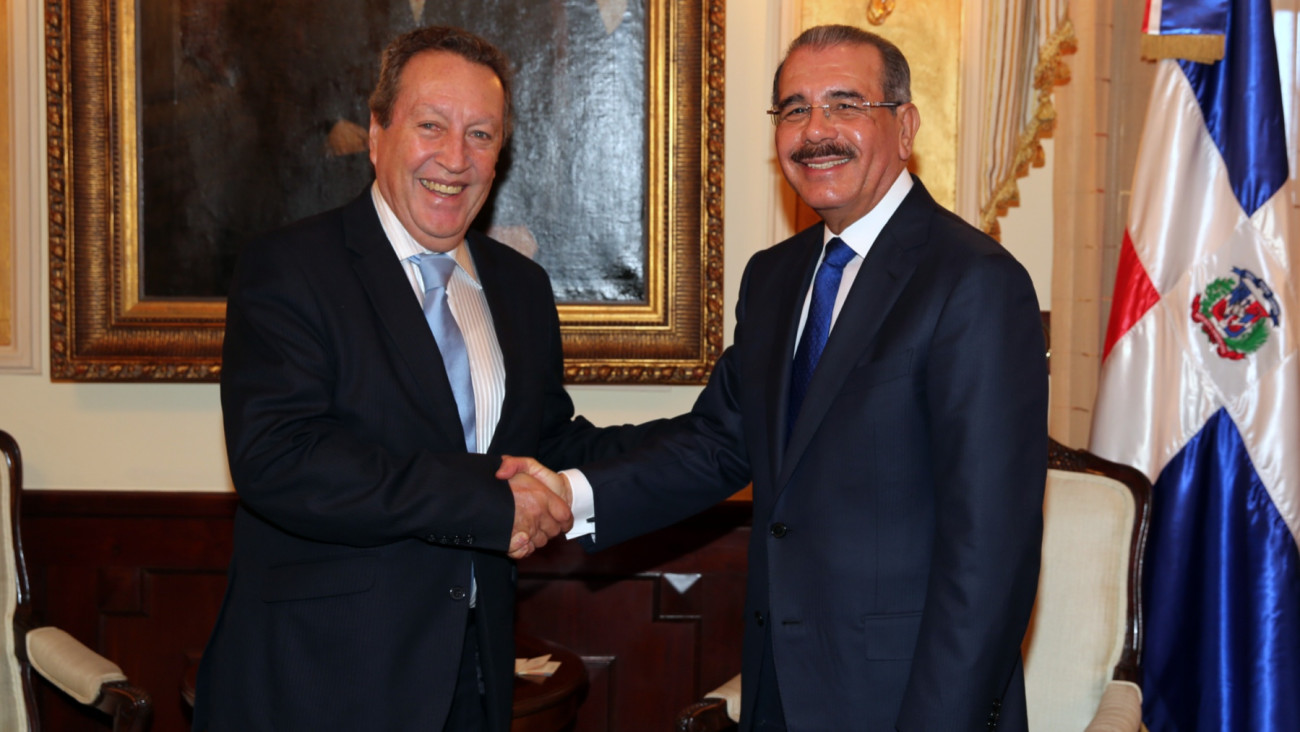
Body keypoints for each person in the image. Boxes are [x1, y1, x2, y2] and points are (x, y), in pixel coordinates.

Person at [503, 24, 1049, 731]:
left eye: (845, 104)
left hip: (908, 701)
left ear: (906, 126)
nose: (815, 130)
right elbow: (717, 443)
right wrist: (566, 495)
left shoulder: (973, 281)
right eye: (794, 109)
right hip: (779, 689)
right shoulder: (775, 277)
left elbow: (991, 551)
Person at [193, 26, 673, 732]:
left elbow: (544, 446)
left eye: (481, 134)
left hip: (474, 677)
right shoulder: (290, 268)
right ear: (377, 132)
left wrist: (713, 433)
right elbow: (280, 459)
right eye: (431, 126)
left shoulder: (520, 288)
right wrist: (489, 503)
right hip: (318, 681)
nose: (455, 158)